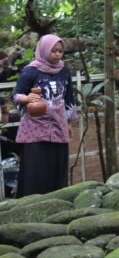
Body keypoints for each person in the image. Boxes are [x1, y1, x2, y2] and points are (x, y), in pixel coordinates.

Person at [13, 34, 77, 196]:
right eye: (53, 51)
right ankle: (32, 203)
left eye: (60, 51)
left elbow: (69, 98)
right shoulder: (30, 71)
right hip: (35, 127)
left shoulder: (64, 71)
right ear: (43, 50)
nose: (57, 54)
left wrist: (69, 122)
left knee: (56, 164)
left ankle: (57, 201)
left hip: (58, 125)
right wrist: (27, 98)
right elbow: (16, 95)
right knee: (36, 167)